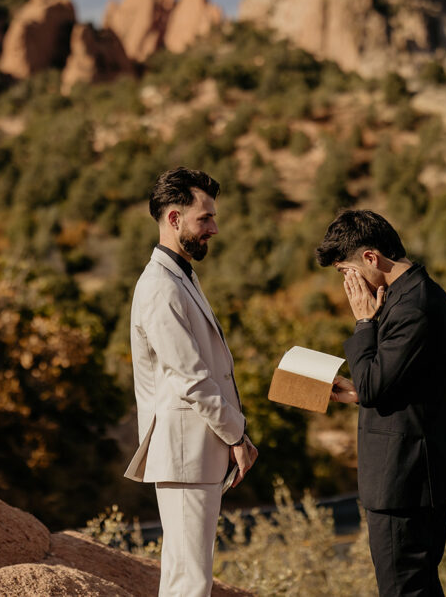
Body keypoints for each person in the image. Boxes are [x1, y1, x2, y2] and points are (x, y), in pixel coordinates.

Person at [124, 167, 258, 597]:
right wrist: (236, 434)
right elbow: (193, 379)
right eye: (205, 219)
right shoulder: (160, 287)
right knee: (189, 581)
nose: (214, 228)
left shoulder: (179, 275)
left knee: (187, 575)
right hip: (184, 452)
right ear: (174, 219)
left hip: (195, 452)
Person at [316, 209, 446, 597]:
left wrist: (364, 324)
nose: (348, 284)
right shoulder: (407, 297)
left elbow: (377, 384)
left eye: (346, 271)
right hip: (407, 480)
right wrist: (358, 389)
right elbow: (391, 382)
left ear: (371, 259)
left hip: (405, 483)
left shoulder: (414, 306)